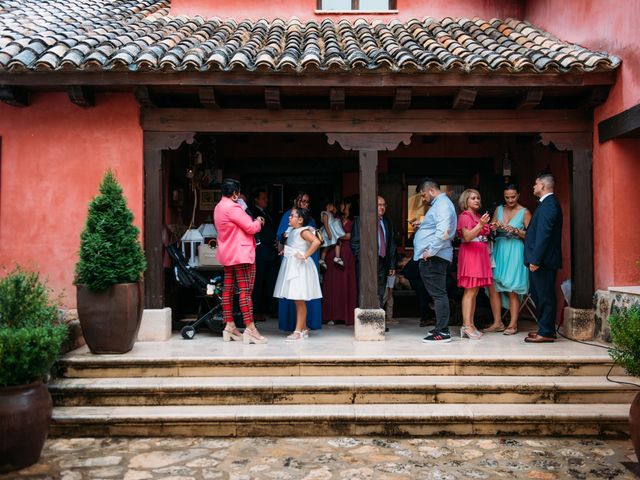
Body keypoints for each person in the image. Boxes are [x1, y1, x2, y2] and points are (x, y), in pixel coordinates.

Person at [213, 178, 266, 344]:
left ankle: (229, 325)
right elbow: (251, 227)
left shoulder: (219, 207)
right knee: (245, 290)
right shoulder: (233, 207)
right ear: (235, 194)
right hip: (241, 253)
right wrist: (259, 221)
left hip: (228, 253)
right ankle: (250, 328)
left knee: (228, 290)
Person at [412, 178, 457, 343]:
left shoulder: (442, 204)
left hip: (435, 257)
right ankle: (440, 327)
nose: (423, 199)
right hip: (435, 256)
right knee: (438, 293)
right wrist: (423, 224)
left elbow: (443, 231)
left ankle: (442, 332)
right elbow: (437, 224)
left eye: (423, 195)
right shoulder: (440, 204)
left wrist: (429, 251)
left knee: (438, 294)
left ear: (431, 191)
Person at [485, 184, 531, 335]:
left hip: (515, 250)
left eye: (513, 197)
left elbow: (531, 236)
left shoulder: (525, 212)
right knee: (494, 286)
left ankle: (513, 324)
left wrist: (517, 231)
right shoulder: (499, 209)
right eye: (507, 197)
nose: (510, 200)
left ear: (518, 195)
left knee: (512, 288)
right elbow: (490, 227)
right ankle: (497, 322)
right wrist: (494, 225)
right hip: (499, 249)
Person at [456, 189, 501, 340]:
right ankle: (466, 325)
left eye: (478, 198)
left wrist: (489, 226)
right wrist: (481, 225)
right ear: (466, 201)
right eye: (473, 198)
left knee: (474, 292)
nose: (476, 200)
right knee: (469, 291)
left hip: (480, 254)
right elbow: (467, 237)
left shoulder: (477, 216)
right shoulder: (464, 216)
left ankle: (471, 324)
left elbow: (482, 233)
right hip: (470, 255)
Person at [524, 173, 563, 343]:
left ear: (542, 185)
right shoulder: (546, 204)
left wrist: (536, 260)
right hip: (542, 261)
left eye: (535, 184)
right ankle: (544, 328)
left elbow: (543, 235)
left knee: (545, 295)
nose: (533, 187)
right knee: (539, 294)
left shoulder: (549, 205)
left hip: (544, 262)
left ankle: (546, 331)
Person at [273, 208, 323, 341]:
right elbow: (295, 245)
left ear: (300, 220)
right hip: (292, 266)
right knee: (297, 300)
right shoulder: (293, 231)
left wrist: (305, 255)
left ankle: (298, 331)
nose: (289, 218)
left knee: (299, 300)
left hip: (299, 268)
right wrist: (286, 251)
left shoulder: (303, 231)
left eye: (292, 216)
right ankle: (304, 327)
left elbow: (316, 242)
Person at [350, 195, 397, 324]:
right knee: (364, 291)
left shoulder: (387, 222)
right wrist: (362, 259)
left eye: (383, 205)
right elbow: (354, 242)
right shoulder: (361, 220)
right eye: (379, 205)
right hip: (366, 263)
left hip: (383, 262)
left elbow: (391, 244)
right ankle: (363, 323)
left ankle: (378, 323)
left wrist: (392, 264)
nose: (382, 207)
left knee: (381, 292)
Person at [322, 197, 357, 326]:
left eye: (344, 204)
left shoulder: (355, 220)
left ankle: (346, 315)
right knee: (332, 285)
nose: (342, 206)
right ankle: (331, 315)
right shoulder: (335, 218)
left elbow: (351, 235)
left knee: (345, 284)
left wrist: (336, 234)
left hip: (347, 253)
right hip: (333, 252)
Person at [248, 187, 279, 321]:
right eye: (263, 198)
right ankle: (255, 311)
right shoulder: (252, 212)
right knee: (258, 283)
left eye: (267, 198)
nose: (266, 200)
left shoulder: (268, 213)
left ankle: (272, 309)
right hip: (260, 253)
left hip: (271, 253)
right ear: (256, 200)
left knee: (271, 281)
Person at [319, 200, 345, 269]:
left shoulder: (330, 214)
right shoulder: (325, 213)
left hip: (331, 231)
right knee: (327, 246)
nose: (331, 207)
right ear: (326, 206)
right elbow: (326, 224)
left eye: (332, 206)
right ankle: (322, 259)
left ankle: (337, 257)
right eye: (329, 205)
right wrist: (329, 234)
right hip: (328, 232)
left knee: (336, 243)